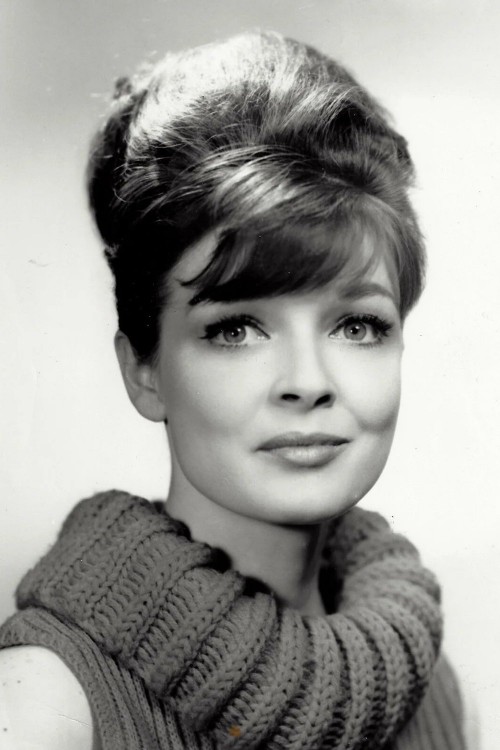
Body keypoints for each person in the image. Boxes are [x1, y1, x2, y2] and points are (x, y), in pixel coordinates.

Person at [0, 31, 467, 749]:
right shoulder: (48, 705)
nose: (307, 383)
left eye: (358, 325)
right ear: (143, 369)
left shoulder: (434, 687)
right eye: (237, 329)